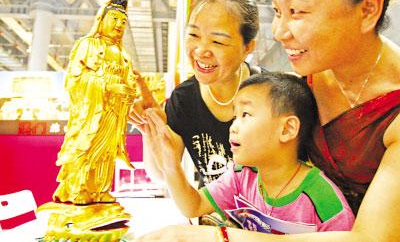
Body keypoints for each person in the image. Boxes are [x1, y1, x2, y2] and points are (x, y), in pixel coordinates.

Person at [132, 0, 400, 241]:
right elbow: (187, 197)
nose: (278, 32)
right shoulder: (306, 76)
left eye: (297, 11)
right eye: (277, 12)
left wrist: (219, 236)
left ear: (368, 9)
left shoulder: (388, 109)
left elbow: (374, 237)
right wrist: (153, 133)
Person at [142, 72, 355, 233]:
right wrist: (170, 163)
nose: (233, 127)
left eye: (245, 114)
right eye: (235, 116)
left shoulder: (325, 202)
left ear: (287, 129)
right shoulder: (242, 174)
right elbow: (194, 206)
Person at [129, 0, 261, 187]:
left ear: (247, 48)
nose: (201, 51)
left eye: (218, 41)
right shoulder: (184, 99)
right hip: (210, 215)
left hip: (265, 218)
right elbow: (161, 175)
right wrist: (152, 132)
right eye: (193, 35)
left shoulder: (270, 93)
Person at [53, 0, 136, 205]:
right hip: (91, 111)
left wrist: (128, 92)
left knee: (106, 152)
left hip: (112, 113)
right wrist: (107, 86)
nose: (119, 24)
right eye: (115, 18)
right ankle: (76, 188)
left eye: (123, 21)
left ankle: (100, 189)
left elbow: (128, 82)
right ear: (102, 19)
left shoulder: (123, 54)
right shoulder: (87, 45)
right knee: (85, 147)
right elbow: (75, 80)